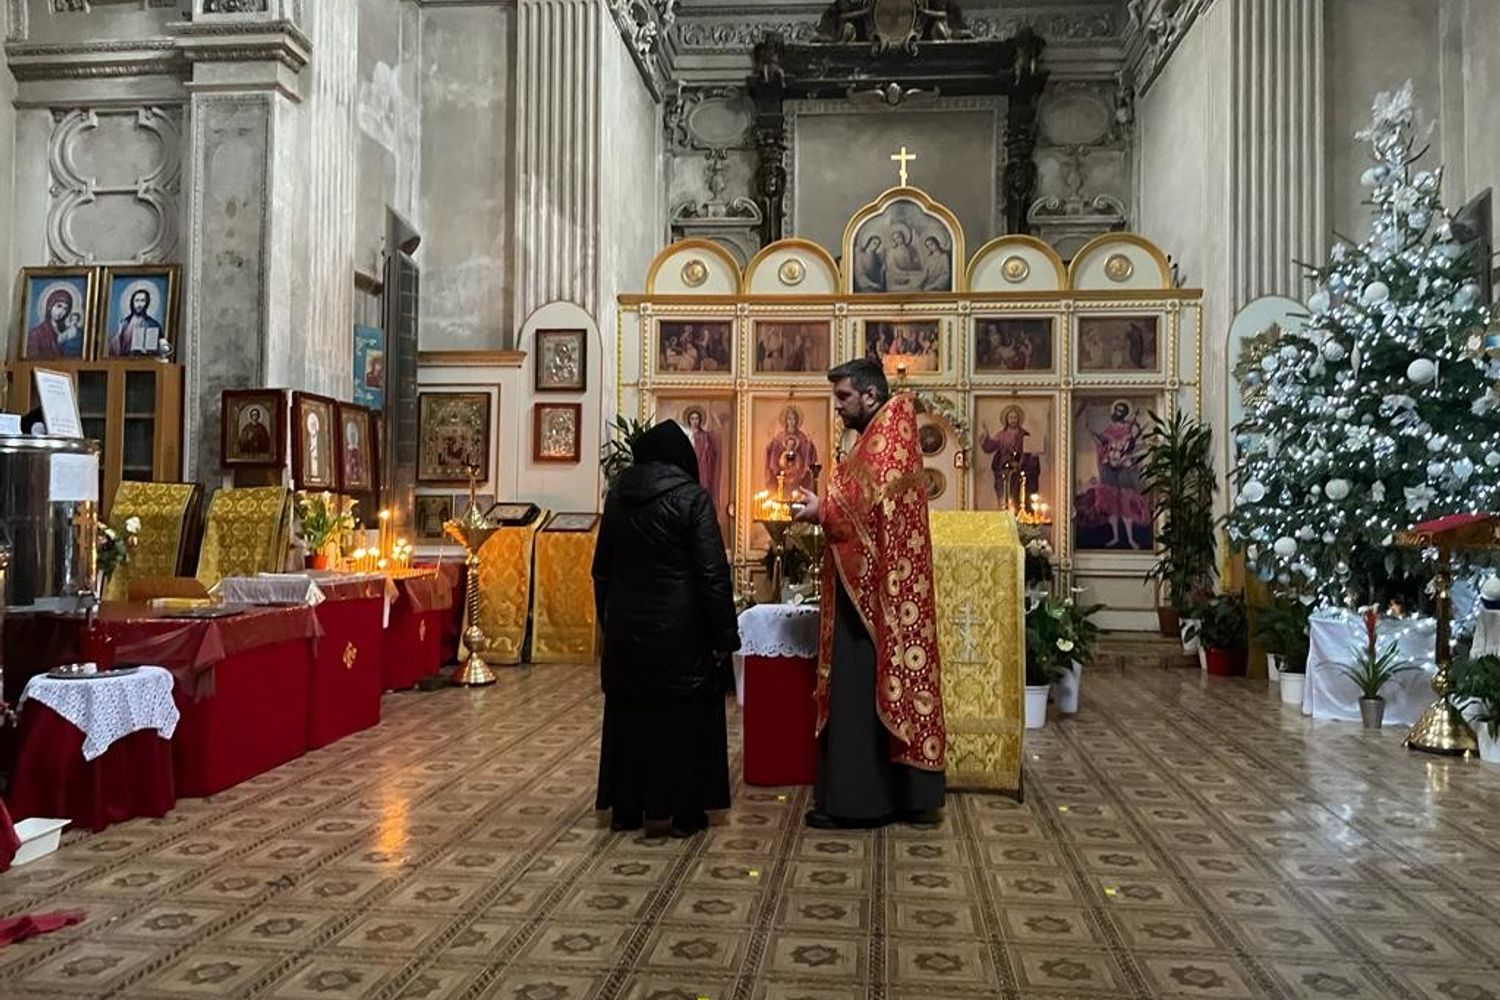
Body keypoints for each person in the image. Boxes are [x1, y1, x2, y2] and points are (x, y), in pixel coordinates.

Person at [793, 358, 947, 828]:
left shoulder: (885, 440)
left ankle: (860, 802)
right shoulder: (885, 435)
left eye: (843, 397)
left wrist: (824, 510)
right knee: (881, 686)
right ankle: (905, 796)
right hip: (876, 588)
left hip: (872, 595)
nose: (837, 407)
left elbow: (860, 508)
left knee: (859, 689)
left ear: (870, 395)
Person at [592, 421, 739, 837]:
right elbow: (712, 575)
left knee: (630, 717)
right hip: (682, 630)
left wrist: (610, 622)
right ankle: (684, 812)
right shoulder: (693, 499)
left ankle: (626, 809)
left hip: (627, 629)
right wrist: (723, 638)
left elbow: (602, 570)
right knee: (683, 721)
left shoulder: (618, 497)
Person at [1092, 400, 1148, 548]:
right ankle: (1115, 537)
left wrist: (1128, 457)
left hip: (1125, 469)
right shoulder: (1109, 430)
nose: (1117, 413)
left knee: (1125, 504)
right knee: (1112, 505)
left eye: (1121, 410)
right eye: (1116, 410)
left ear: (1124, 413)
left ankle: (1130, 539)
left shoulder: (1132, 429)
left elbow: (1141, 447)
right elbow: (1102, 445)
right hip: (1109, 468)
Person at [980, 405, 1041, 509]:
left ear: (1019, 419)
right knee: (1005, 495)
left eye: (1015, 417)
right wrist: (986, 435)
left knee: (1019, 495)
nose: (1013, 420)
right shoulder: (1002, 435)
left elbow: (1031, 450)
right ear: (1006, 420)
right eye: (1010, 418)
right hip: (1004, 470)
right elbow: (990, 447)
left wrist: (1033, 455)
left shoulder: (1024, 434)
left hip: (1020, 469)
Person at [764, 405, 819, 492]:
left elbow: (807, 452)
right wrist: (770, 446)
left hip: (797, 476)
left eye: (793, 419)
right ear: (786, 420)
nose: (791, 421)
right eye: (789, 419)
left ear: (796, 421)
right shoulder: (779, 437)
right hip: (782, 476)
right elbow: (774, 453)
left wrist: (809, 445)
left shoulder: (802, 436)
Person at [681, 406, 720, 512]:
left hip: (702, 467)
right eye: (692, 418)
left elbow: (711, 455)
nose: (694, 421)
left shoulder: (704, 436)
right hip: (688, 466)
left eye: (696, 418)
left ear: (700, 420)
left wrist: (707, 449)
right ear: (688, 420)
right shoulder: (685, 435)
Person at [111, 287, 162, 356]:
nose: (139, 304)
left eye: (142, 301)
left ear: (147, 303)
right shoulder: (125, 323)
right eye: (137, 300)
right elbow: (115, 346)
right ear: (132, 302)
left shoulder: (153, 324)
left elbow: (161, 349)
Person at [26, 288, 74, 359]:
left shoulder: (68, 332)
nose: (61, 312)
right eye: (59, 306)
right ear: (50, 306)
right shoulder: (36, 333)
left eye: (65, 309)